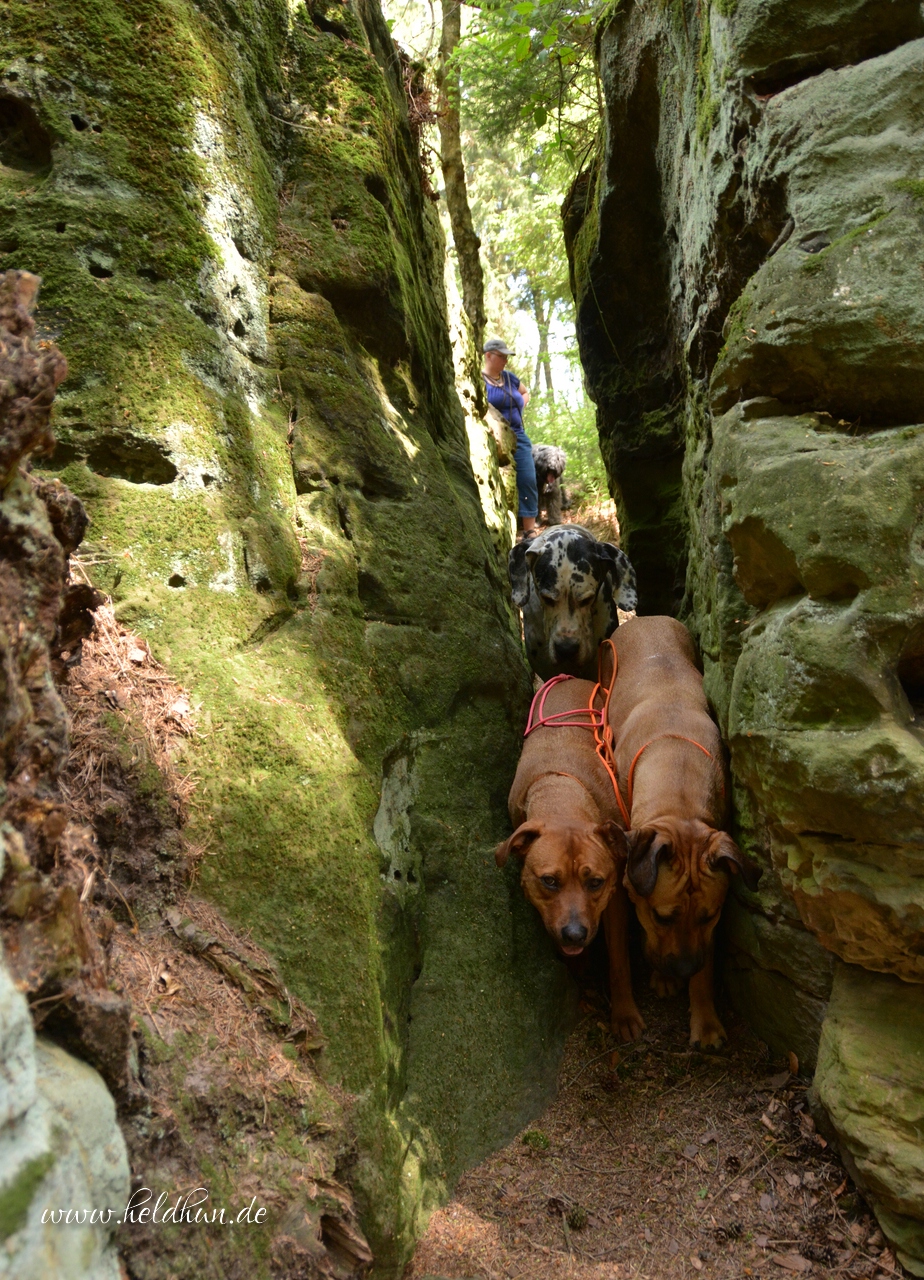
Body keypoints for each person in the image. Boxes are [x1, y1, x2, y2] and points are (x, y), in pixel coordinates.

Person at [481, 337, 539, 540]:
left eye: (507, 357)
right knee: (502, 482)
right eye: (502, 356)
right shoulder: (479, 381)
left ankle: (530, 530)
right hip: (494, 437)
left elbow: (525, 393)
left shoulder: (510, 378)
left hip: (518, 435)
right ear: (488, 355)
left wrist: (519, 406)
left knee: (528, 478)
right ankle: (505, 529)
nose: (506, 360)